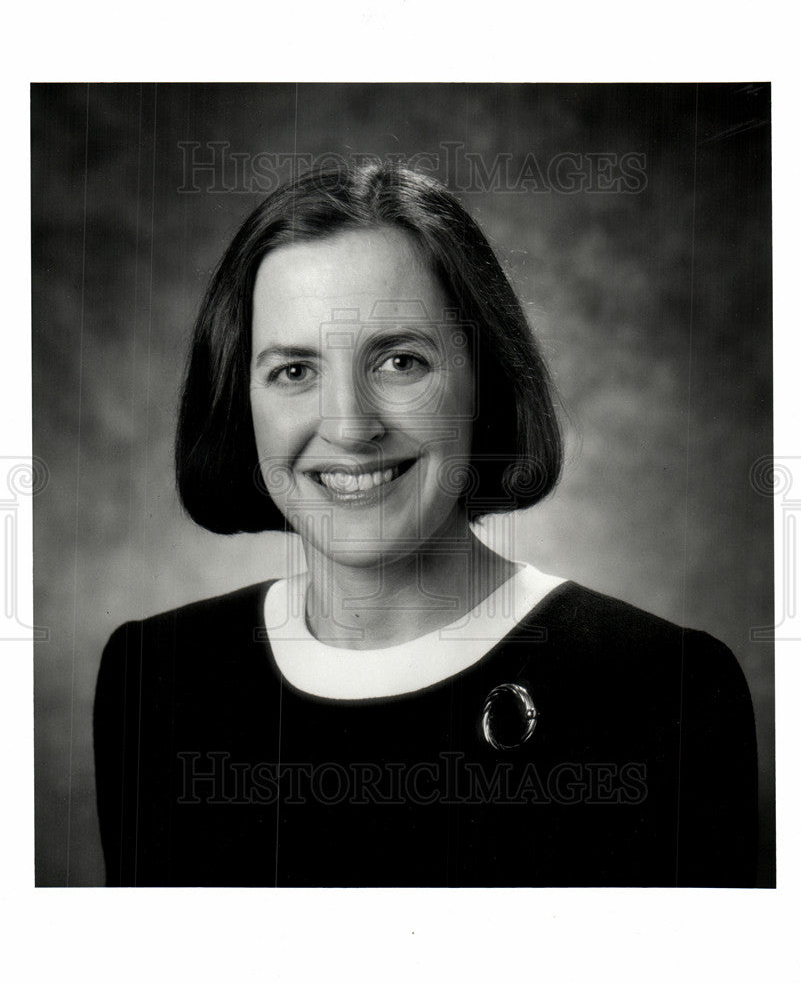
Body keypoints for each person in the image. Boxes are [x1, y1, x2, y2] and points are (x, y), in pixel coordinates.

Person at [93, 163, 758, 887]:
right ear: (238, 401)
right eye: (294, 371)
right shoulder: (154, 679)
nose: (348, 426)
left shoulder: (661, 691)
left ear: (485, 382)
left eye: (400, 361)